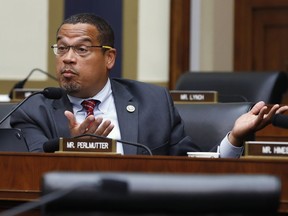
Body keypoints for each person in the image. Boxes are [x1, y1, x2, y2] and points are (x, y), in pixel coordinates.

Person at [10, 13, 288, 156]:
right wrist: (73, 148)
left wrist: (234, 139)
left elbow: (189, 168)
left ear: (109, 57)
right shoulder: (33, 110)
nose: (68, 59)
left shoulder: (152, 101)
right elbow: (30, 171)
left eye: (81, 49)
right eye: (61, 48)